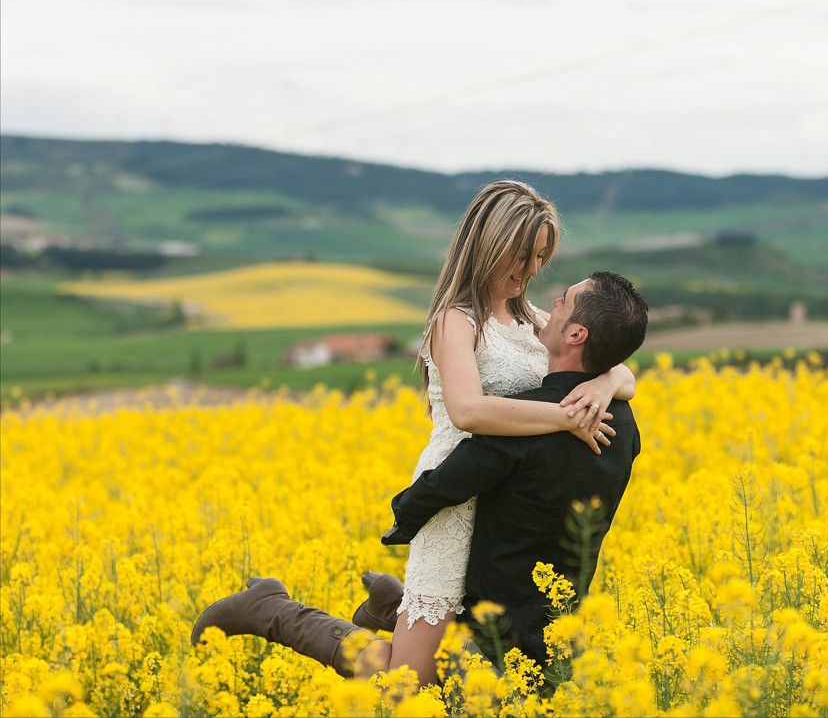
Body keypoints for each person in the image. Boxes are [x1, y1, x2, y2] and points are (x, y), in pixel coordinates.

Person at [191, 182, 635, 682]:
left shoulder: (536, 321)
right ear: (488, 244)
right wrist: (566, 416)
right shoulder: (456, 322)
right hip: (453, 501)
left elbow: (613, 367)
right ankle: (270, 609)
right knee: (409, 685)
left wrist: (607, 380)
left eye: (540, 257)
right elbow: (468, 411)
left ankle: (393, 608)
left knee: (468, 669)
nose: (531, 270)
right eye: (522, 255)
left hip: (506, 507)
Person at [381, 271, 648, 671]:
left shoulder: (520, 422)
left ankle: (294, 617)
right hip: (556, 616)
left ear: (576, 334)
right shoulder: (624, 424)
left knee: (412, 687)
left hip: (497, 609)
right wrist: (606, 382)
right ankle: (385, 608)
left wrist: (404, 514)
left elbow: (453, 478)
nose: (551, 302)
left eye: (564, 300)